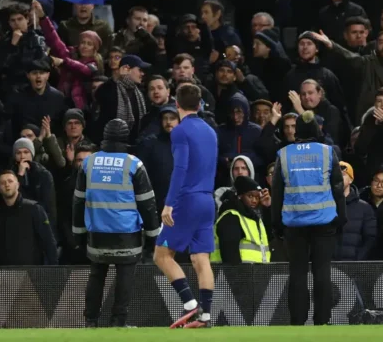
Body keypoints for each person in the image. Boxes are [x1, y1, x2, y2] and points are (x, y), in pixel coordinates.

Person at [72, 119, 159, 328]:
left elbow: (78, 201)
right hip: (126, 233)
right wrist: (153, 235)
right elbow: (147, 203)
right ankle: (118, 323)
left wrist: (79, 234)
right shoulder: (133, 164)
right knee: (124, 277)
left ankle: (90, 321)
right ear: (125, 138)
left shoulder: (89, 163)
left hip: (97, 232)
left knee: (97, 275)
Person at [272, 111, 346, 326]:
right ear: (316, 130)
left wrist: (276, 222)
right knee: (322, 271)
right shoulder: (327, 152)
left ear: (297, 131)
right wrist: (341, 217)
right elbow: (338, 188)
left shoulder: (284, 155)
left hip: (294, 224)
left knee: (297, 273)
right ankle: (322, 320)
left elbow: (277, 192)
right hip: (324, 222)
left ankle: (297, 320)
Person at [153, 83, 217, 329]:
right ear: (200, 105)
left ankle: (190, 306)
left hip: (187, 200)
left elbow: (180, 168)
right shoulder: (210, 131)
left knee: (161, 254)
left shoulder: (180, 132)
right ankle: (205, 317)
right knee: (201, 258)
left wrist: (169, 204)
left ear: (176, 103)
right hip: (207, 200)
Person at [210, 175, 271, 264]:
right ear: (239, 196)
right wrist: (239, 277)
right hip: (234, 276)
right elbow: (230, 258)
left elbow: (269, 239)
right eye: (250, 196)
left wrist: (267, 208)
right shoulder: (231, 217)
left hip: (255, 276)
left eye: (257, 197)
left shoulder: (252, 218)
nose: (254, 200)